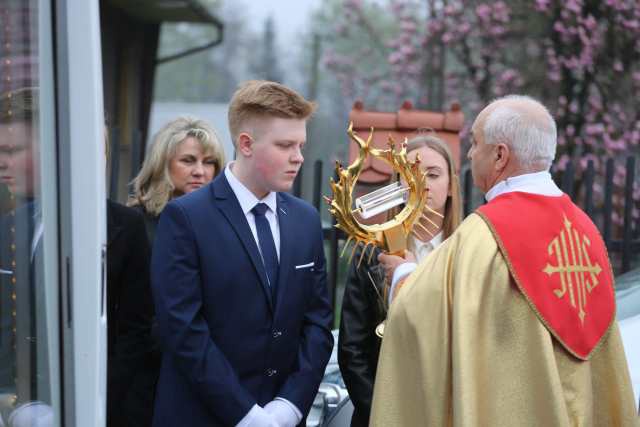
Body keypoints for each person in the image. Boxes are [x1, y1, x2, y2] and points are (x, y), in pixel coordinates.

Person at [370, 95, 638, 426]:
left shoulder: (482, 234)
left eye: (476, 143)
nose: (469, 153)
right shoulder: (586, 231)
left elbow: (423, 313)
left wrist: (404, 274)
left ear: (499, 155)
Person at [151, 80, 334, 427]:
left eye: (301, 145)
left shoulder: (305, 219)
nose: (298, 157)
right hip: (200, 417)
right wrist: (246, 415)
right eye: (285, 145)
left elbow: (318, 323)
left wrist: (288, 407)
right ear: (246, 144)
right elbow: (183, 329)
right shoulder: (186, 218)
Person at [337, 134, 461, 427]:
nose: (423, 183)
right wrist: (383, 413)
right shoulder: (370, 254)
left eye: (433, 174)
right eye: (412, 174)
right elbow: (352, 350)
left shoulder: (467, 252)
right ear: (398, 186)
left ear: (451, 185)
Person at [129, 116, 226, 244]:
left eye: (209, 162)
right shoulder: (134, 222)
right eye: (188, 160)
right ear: (162, 164)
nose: (199, 172)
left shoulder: (225, 222)